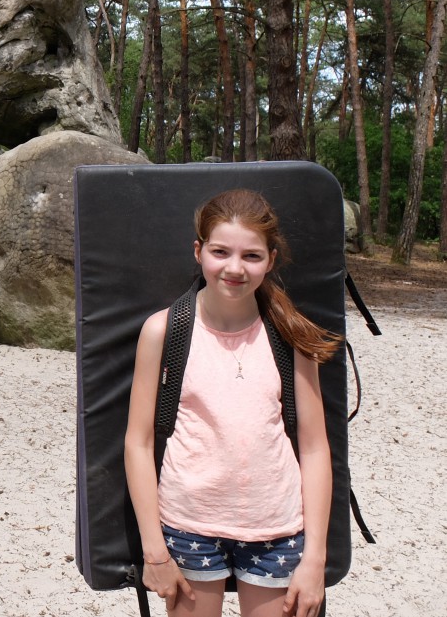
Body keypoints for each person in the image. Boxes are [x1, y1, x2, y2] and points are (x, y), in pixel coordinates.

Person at [124, 189, 339, 617]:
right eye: (221, 251)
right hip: (188, 527)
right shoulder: (163, 331)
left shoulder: (291, 336)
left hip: (277, 528)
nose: (235, 268)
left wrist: (315, 559)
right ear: (199, 251)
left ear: (271, 260)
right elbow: (138, 443)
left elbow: (315, 448)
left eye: (252, 256)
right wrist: (154, 553)